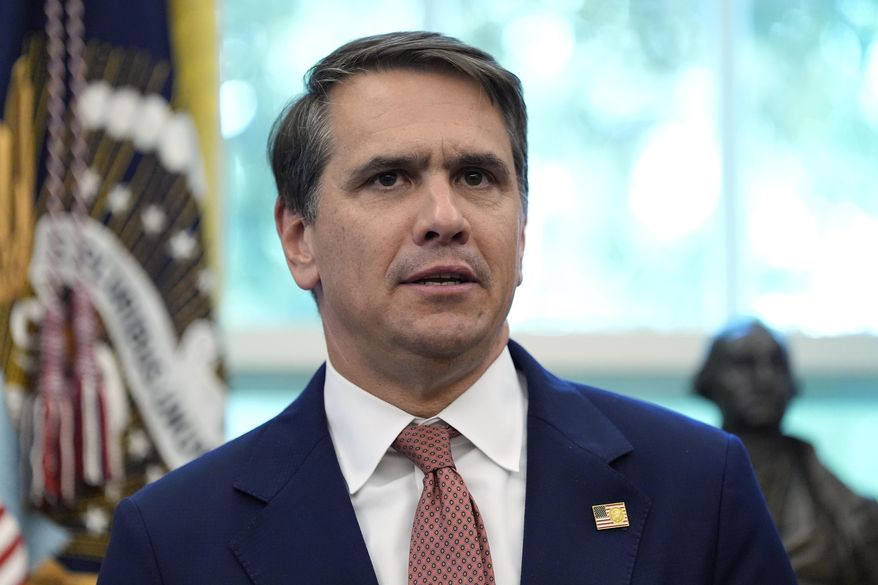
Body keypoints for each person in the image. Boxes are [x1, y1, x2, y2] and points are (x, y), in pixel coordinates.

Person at [97, 31, 796, 584]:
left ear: (522, 231)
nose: (444, 217)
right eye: (390, 177)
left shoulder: (700, 490)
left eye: (476, 176)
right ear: (299, 238)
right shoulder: (173, 542)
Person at [695, 319, 878, 585]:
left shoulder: (852, 513)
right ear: (709, 380)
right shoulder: (680, 489)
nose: (764, 379)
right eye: (744, 364)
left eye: (777, 363)